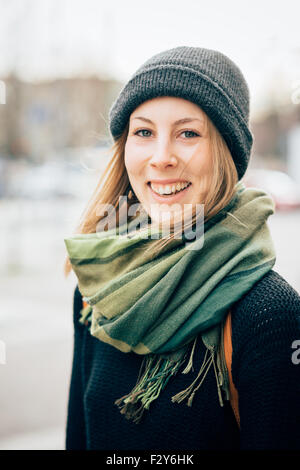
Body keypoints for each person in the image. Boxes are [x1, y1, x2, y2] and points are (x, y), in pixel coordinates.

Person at [63, 46, 300, 450]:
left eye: (188, 133)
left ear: (226, 151)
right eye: (143, 132)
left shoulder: (269, 317)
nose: (161, 158)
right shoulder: (96, 292)